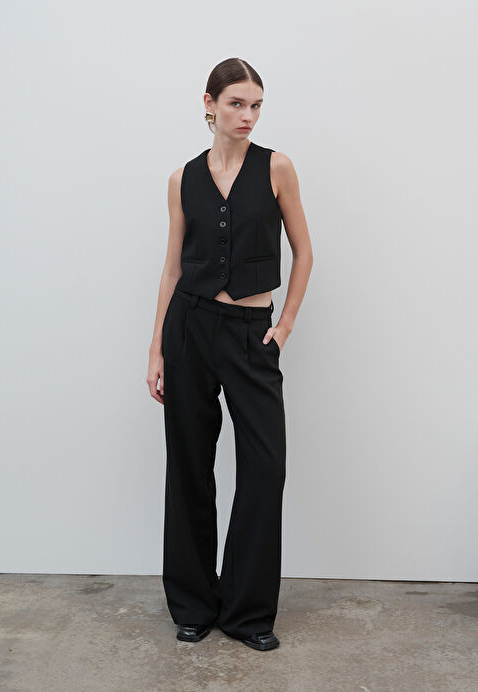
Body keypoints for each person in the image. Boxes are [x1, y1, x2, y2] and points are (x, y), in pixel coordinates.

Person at [147, 57, 313, 651]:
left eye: (256, 105)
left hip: (251, 333)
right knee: (189, 465)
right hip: (189, 329)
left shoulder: (277, 168)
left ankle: (248, 613)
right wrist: (156, 347)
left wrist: (283, 325)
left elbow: (304, 251)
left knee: (264, 468)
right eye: (237, 104)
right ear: (210, 104)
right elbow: (172, 267)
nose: (248, 116)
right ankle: (193, 604)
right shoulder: (181, 179)